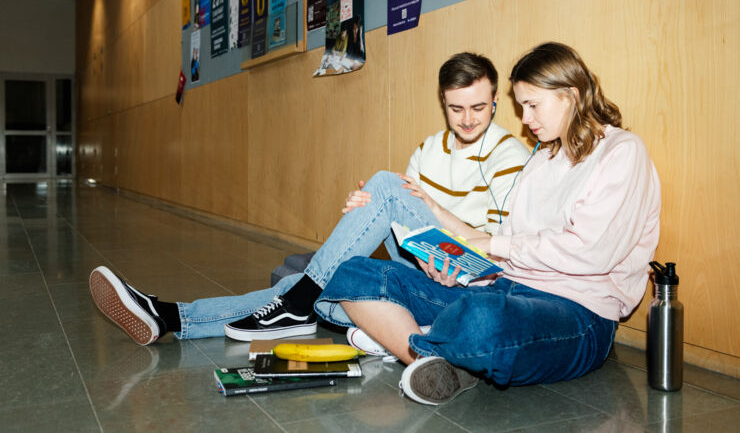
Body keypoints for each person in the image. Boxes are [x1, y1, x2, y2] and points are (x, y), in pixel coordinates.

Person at [89, 52, 530, 345]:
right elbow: (404, 224)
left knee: (376, 197)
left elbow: (494, 249)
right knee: (305, 279)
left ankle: (296, 303)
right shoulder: (428, 149)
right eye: (457, 108)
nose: (468, 118)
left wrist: (426, 210)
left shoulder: (511, 156)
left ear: (494, 102)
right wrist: (366, 211)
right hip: (421, 263)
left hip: (468, 277)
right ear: (443, 103)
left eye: (479, 107)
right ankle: (170, 316)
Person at [312, 42, 662, 405]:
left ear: (570, 95)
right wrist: (458, 250)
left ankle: (410, 340)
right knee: (355, 273)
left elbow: (592, 252)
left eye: (532, 105)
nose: (525, 119)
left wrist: (491, 247)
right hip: (505, 287)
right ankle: (433, 359)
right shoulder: (543, 158)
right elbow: (504, 251)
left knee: (482, 319)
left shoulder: (622, 152)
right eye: (522, 107)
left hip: (579, 313)